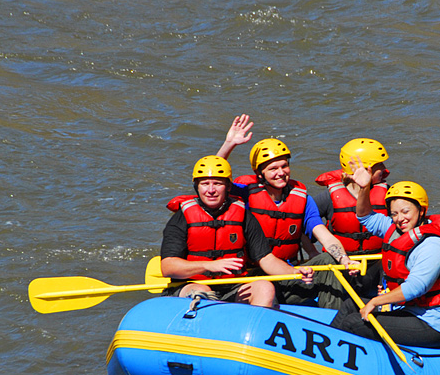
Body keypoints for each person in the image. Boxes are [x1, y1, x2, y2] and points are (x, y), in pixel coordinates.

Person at [216, 115, 356, 307]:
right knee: (266, 292)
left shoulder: (302, 199)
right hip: (252, 277)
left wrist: (344, 259)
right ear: (259, 173)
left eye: (284, 166)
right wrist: (229, 144)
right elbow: (214, 179)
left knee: (327, 259)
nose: (281, 172)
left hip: (287, 273)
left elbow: (324, 235)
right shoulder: (245, 193)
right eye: (273, 168)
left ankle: (333, 322)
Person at [330, 167, 440, 348]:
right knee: (349, 305)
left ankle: (339, 360)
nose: (400, 218)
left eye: (405, 212)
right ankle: (326, 351)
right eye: (394, 213)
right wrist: (364, 188)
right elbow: (364, 216)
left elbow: (416, 287)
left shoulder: (434, 245)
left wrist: (376, 301)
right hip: (407, 310)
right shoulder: (396, 230)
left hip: (432, 324)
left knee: (354, 322)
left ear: (421, 210)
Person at [160, 155, 313, 307]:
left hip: (233, 286)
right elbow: (168, 267)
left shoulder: (244, 216)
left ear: (227, 186)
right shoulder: (181, 219)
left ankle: (254, 328)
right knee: (202, 291)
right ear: (197, 187)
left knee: (264, 287)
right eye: (205, 184)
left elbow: (266, 259)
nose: (211, 190)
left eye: (217, 184)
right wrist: (209, 266)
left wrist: (294, 273)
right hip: (191, 285)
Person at [312, 137, 392, 299]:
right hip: (341, 265)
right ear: (364, 169)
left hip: (377, 264)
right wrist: (312, 252)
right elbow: (302, 223)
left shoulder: (390, 195)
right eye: (379, 166)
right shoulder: (328, 197)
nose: (385, 170)